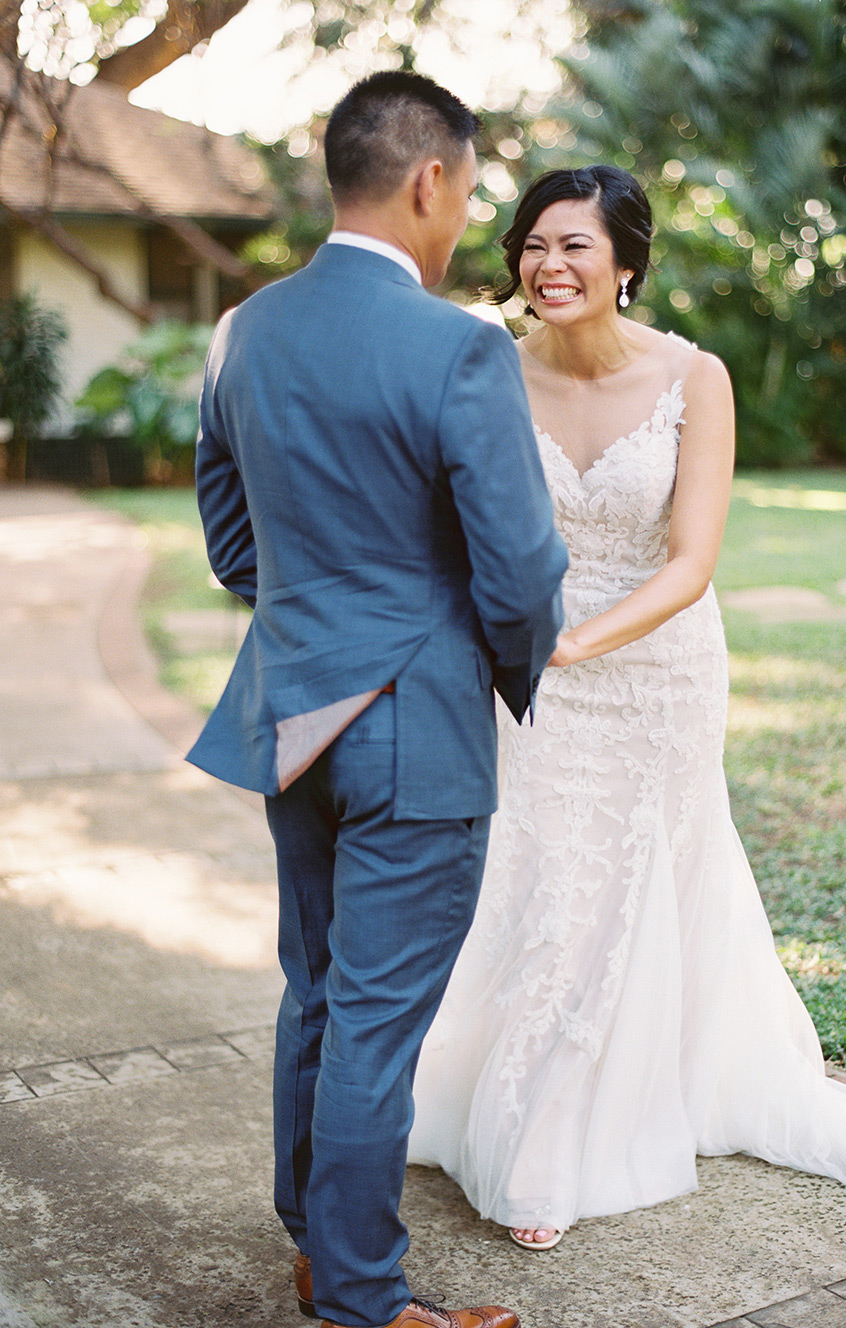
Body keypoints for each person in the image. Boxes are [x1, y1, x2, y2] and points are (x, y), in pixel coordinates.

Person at [409, 164, 846, 1250]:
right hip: (525, 666)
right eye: (533, 245)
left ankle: (560, 1145)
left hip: (653, 667)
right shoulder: (485, 367)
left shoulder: (696, 377)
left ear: (626, 263)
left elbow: (690, 561)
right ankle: (496, 1096)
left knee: (624, 875)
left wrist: (570, 645)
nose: (549, 265)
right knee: (541, 870)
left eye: (575, 245)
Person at [187, 73, 567, 1328]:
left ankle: (316, 1236)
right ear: (429, 181)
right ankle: (359, 1296)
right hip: (418, 721)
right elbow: (519, 573)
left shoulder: (244, 330)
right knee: (376, 1020)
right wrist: (498, 671)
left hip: (291, 708)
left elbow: (233, 542)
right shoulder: (461, 345)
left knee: (320, 984)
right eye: (465, 188)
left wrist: (315, 615)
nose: (463, 215)